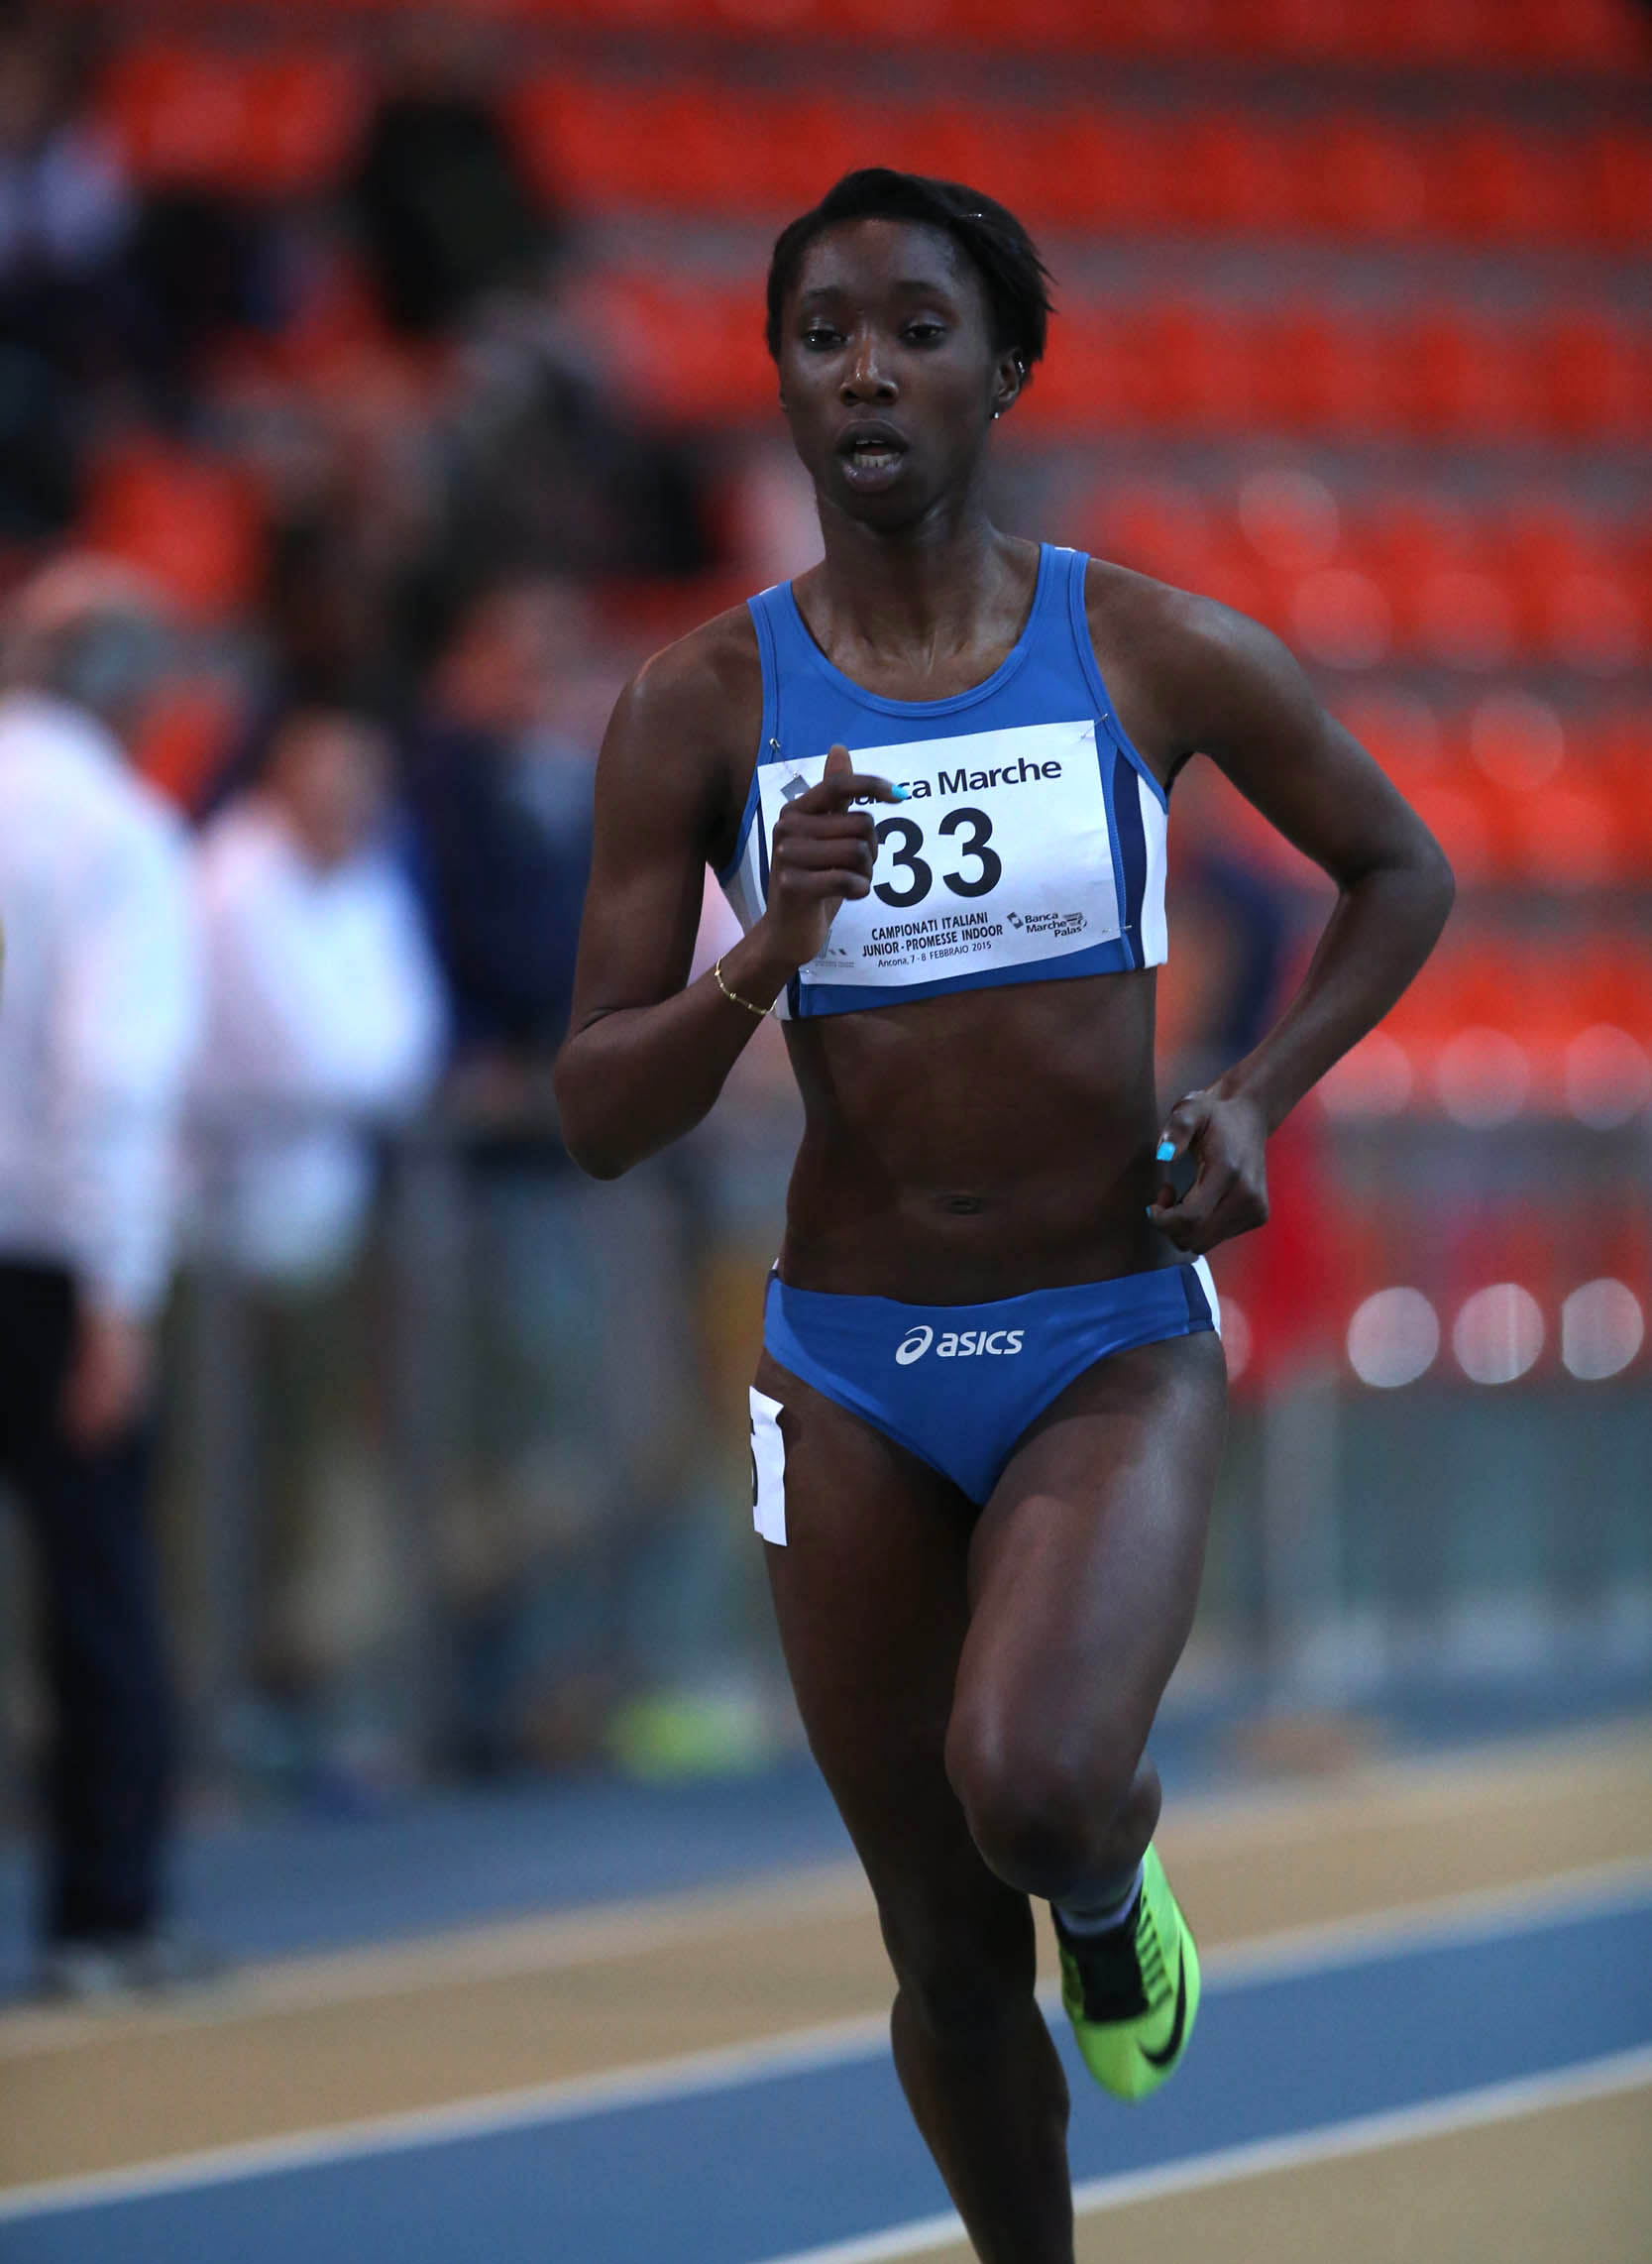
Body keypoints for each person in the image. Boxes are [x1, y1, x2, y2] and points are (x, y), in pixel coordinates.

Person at [553, 170, 1453, 2263]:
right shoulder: (700, 705)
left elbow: (1400, 870)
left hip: (1101, 1333)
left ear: (1007, 369)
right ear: (782, 383)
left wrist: (1253, 1091)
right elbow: (596, 1109)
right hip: (850, 1365)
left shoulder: (1142, 646)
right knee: (943, 1945)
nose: (867, 370)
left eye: (917, 330)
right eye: (823, 336)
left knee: (1036, 1788)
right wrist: (762, 954)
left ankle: (1117, 1887)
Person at [0, 557, 202, 1995]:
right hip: (50, 1258)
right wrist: (118, 1300)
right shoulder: (115, 828)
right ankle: (106, 1911)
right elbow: (111, 1076)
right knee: (98, 1587)